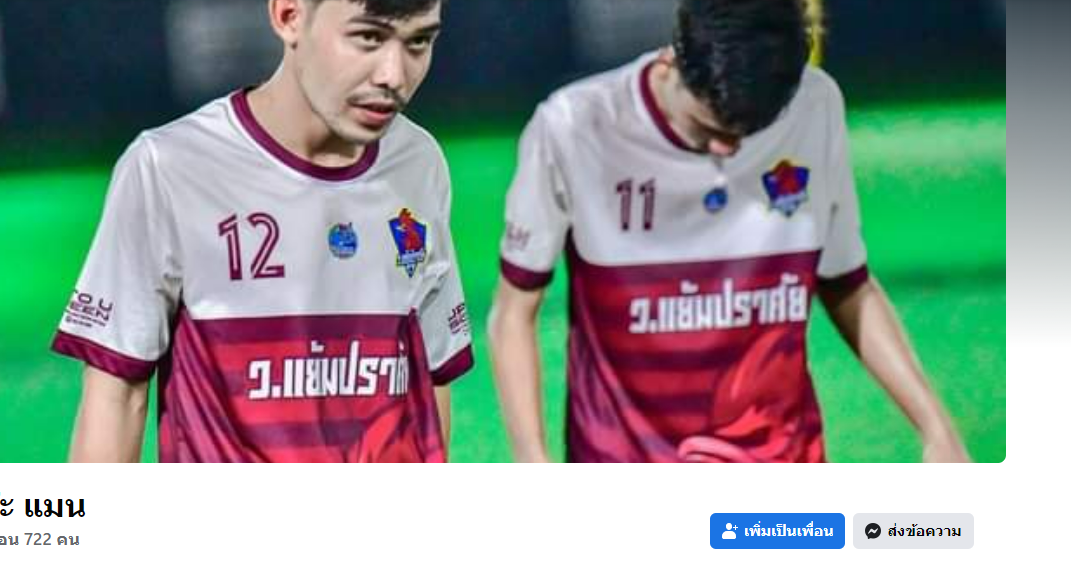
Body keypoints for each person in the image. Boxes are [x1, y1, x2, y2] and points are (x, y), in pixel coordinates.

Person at [488, 0, 969, 462]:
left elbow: (848, 283)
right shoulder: (575, 126)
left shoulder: (814, 104)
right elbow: (513, 312)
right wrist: (533, 461)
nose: (727, 149)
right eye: (709, 129)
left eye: (748, 132)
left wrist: (937, 431)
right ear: (673, 58)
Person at [53, 0, 472, 462]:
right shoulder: (169, 166)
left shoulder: (419, 162)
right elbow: (117, 397)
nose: (394, 75)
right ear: (289, 16)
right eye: (368, 38)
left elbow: (430, 379)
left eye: (419, 41)